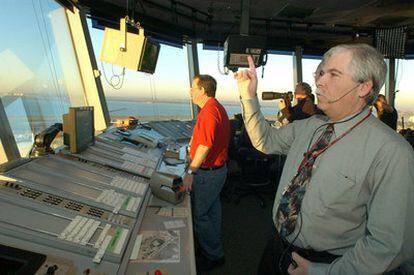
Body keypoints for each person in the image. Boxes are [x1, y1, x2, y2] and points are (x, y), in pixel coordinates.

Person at [234, 44, 414, 274]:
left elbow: (388, 245)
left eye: (333, 74)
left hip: (328, 263)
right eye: (320, 72)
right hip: (277, 245)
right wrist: (248, 95)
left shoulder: (392, 151)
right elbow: (266, 141)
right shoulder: (309, 126)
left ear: (364, 87)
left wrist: (320, 271)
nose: (320, 81)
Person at [182, 74, 230, 271]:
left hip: (208, 174)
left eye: (193, 88)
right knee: (212, 210)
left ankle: (214, 254)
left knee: (200, 215)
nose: (190, 92)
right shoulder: (214, 108)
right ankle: (212, 244)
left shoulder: (209, 112)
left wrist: (191, 172)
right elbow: (201, 140)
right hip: (217, 172)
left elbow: (205, 146)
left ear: (203, 90)